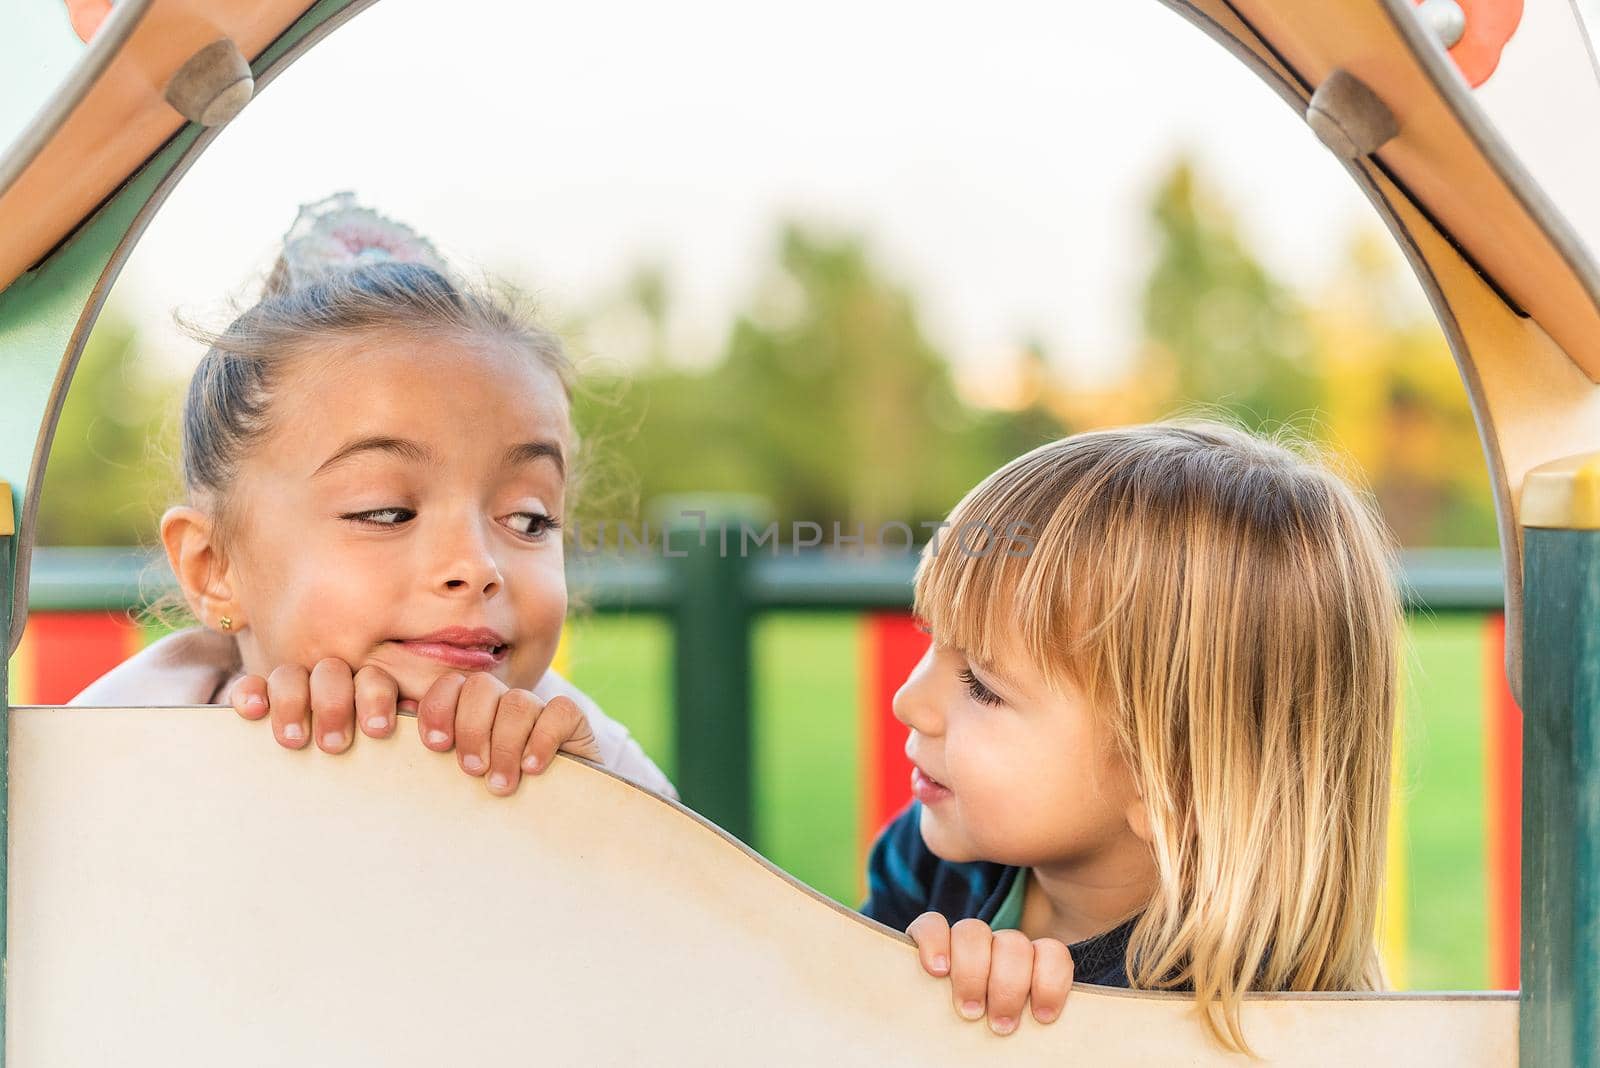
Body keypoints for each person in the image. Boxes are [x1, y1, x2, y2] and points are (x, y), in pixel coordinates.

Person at [71, 193, 674, 801]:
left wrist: (591, 813)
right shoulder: (108, 771)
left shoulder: (586, 762)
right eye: (386, 512)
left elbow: (705, 895)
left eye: (528, 519)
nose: (477, 567)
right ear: (214, 568)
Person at [862, 423, 1399, 1053]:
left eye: (981, 685)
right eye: (932, 639)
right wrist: (899, 992)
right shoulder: (930, 864)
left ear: (1170, 783)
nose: (909, 702)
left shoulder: (1231, 1025)